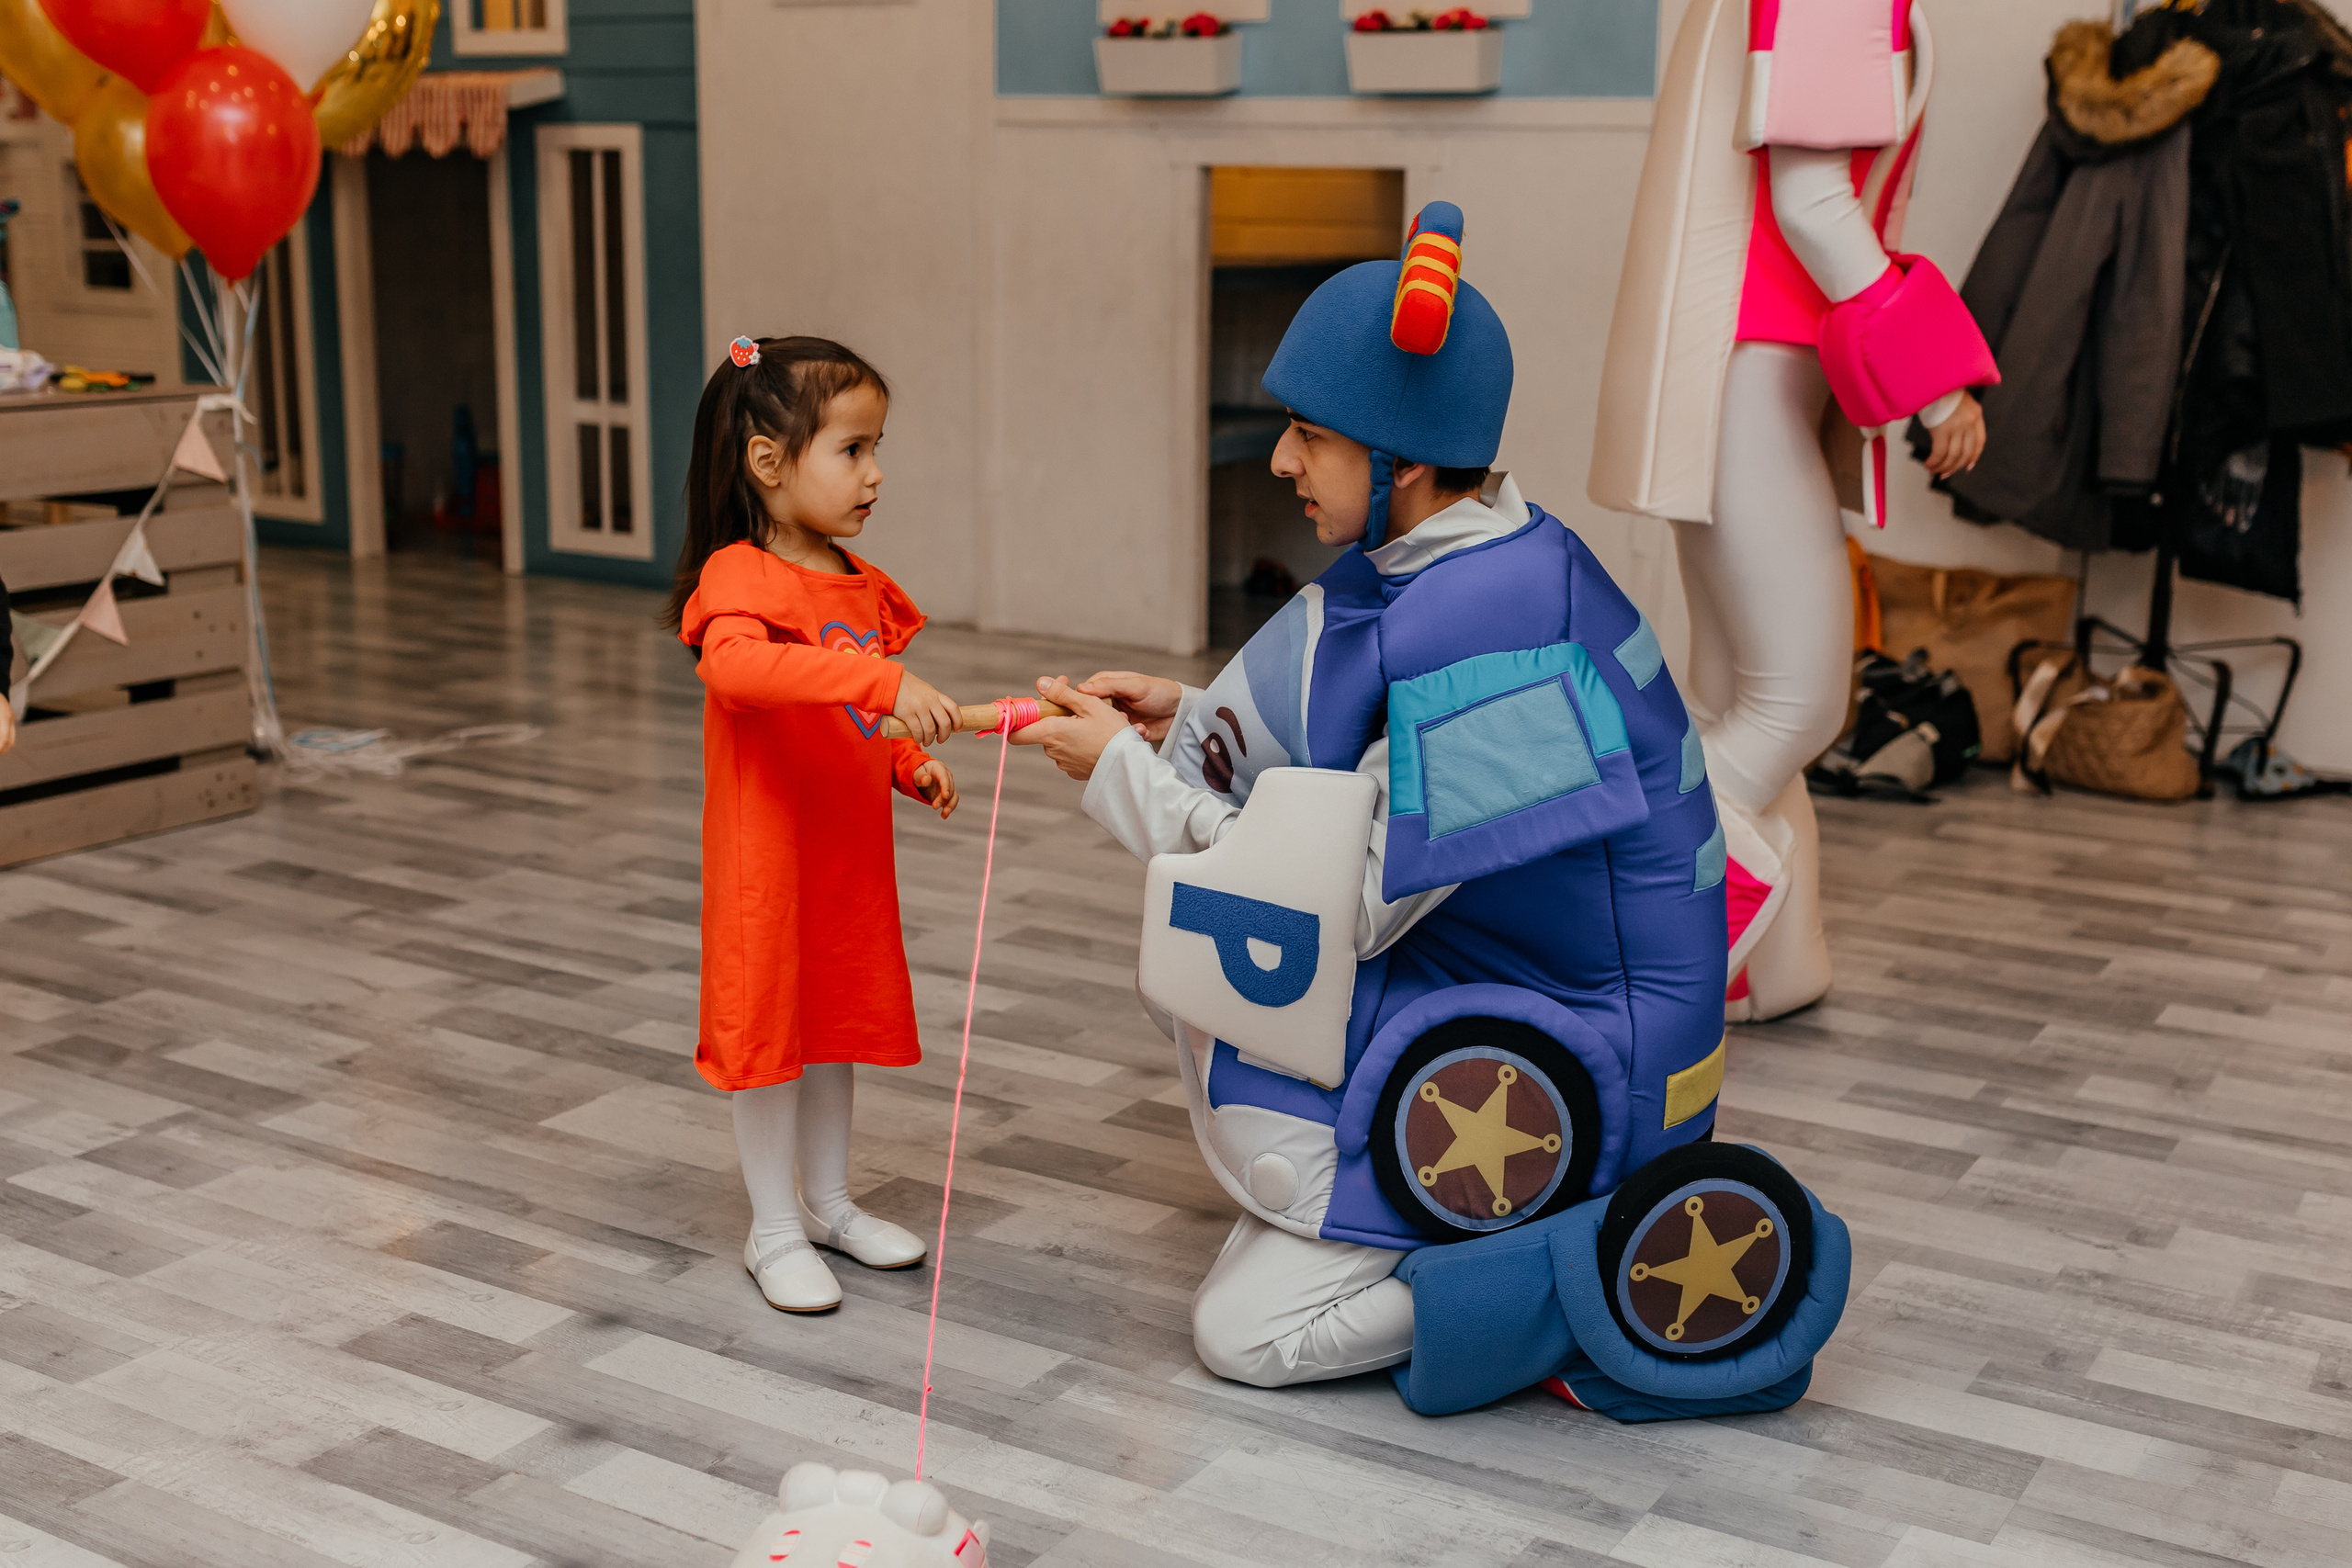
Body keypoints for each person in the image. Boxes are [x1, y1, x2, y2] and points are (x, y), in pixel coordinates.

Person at [1012, 204, 1838, 1412]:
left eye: (1308, 436)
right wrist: (1181, 727)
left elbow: (1337, 906)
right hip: (1499, 968)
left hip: (1584, 1057)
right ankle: (1387, 1220)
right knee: (1195, 991)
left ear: (1400, 459)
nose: (1282, 462)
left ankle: (1586, 1270)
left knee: (1245, 1330)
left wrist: (1126, 785)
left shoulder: (1506, 635)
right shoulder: (1467, 561)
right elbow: (1337, 758)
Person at [1589, 0, 1996, 1020]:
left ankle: (1772, 965)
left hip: (1748, 372)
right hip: (1753, 373)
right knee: (1796, 705)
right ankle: (1610, 916)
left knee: (1739, 699)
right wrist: (1933, 377)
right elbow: (1813, 199)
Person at [667, 335, 964, 1314]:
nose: (874, 473)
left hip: (842, 861)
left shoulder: (855, 584)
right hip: (768, 862)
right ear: (768, 463)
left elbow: (850, 718)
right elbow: (743, 673)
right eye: (851, 449)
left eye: (878, 448)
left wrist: (906, 760)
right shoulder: (739, 579)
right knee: (773, 1038)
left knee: (832, 1030)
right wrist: (881, 680)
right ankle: (773, 1228)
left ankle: (830, 1205)